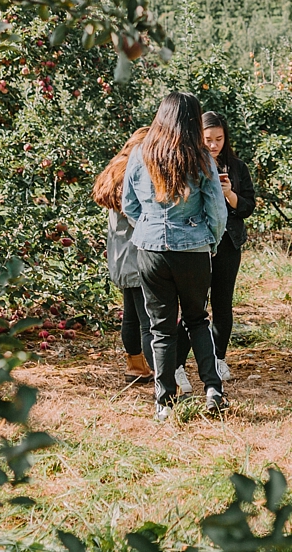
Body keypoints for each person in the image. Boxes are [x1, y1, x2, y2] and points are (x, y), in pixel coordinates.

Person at [122, 92, 229, 420]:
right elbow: (216, 207)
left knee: (161, 326)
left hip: (151, 250)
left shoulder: (141, 154)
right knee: (198, 319)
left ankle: (164, 401)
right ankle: (213, 389)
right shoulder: (199, 157)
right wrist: (211, 239)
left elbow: (129, 204)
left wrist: (148, 227)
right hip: (193, 247)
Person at [173, 111, 255, 391]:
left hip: (228, 243)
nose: (213, 145)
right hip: (197, 242)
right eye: (208, 139)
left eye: (219, 139)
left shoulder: (236, 166)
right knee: (194, 306)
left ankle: (219, 358)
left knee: (222, 304)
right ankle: (177, 365)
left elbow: (248, 207)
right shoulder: (189, 164)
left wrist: (230, 195)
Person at [93, 127, 153, 383]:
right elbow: (134, 217)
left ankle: (136, 367)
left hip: (119, 257)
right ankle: (159, 369)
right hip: (136, 256)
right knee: (148, 318)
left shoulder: (113, 170)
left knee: (130, 314)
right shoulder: (132, 173)